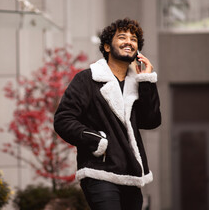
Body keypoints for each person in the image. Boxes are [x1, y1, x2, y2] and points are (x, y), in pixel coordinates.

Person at [54, 18, 161, 210]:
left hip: (131, 175)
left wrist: (147, 81)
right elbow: (63, 119)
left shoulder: (138, 83)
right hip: (99, 171)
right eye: (122, 37)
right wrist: (96, 140)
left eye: (134, 39)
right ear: (107, 46)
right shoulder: (87, 79)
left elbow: (151, 120)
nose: (129, 42)